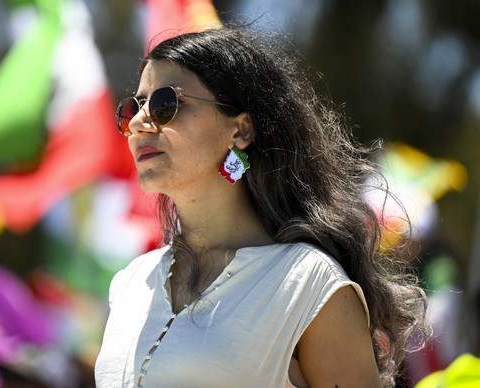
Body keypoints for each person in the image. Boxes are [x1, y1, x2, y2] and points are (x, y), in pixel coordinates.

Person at [95, 25, 429, 388]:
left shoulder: (308, 283)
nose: (141, 122)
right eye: (133, 108)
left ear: (240, 130)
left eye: (164, 105)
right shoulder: (129, 282)